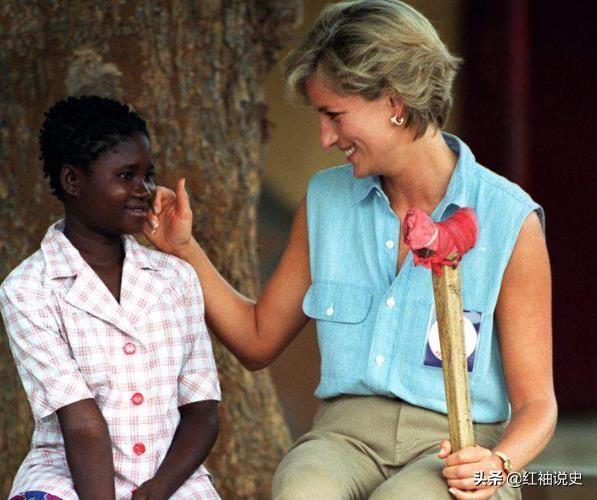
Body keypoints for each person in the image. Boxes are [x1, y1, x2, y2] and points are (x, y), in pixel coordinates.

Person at [144, 1, 556, 499]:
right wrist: (184, 249)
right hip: (341, 440)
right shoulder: (324, 201)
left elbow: (537, 405)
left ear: (394, 101)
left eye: (334, 115)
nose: (325, 137)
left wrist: (496, 466)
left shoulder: (508, 219)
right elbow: (257, 340)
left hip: (457, 450)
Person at [0, 96, 221, 500]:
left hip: (169, 478)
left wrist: (158, 489)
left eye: (147, 175)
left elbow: (202, 411)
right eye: (126, 176)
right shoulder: (28, 289)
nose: (145, 190)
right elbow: (81, 424)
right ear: (72, 181)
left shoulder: (176, 279)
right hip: (68, 479)